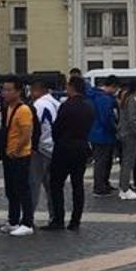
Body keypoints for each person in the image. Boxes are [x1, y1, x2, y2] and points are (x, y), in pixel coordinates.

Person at [46, 73, 94, 229]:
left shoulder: (66, 106)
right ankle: (75, 220)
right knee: (77, 185)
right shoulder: (88, 106)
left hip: (64, 148)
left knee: (56, 184)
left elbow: (57, 127)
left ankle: (58, 219)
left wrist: (58, 139)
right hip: (81, 146)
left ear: (71, 87)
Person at [0, 77, 37, 235]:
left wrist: (16, 149)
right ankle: (13, 220)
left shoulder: (24, 110)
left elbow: (27, 133)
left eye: (9, 90)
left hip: (20, 155)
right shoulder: (7, 107)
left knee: (22, 189)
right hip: (10, 154)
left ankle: (27, 223)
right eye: (4, 89)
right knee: (11, 190)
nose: (5, 93)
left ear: (18, 91)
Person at [31, 75, 60, 214]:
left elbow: (37, 127)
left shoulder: (38, 105)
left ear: (37, 90)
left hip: (41, 148)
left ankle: (28, 216)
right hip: (54, 148)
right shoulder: (56, 103)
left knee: (33, 184)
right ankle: (54, 215)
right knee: (51, 186)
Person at [87, 75, 118, 194]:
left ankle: (103, 183)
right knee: (102, 161)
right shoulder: (105, 99)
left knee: (104, 161)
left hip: (96, 133)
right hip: (104, 134)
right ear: (113, 86)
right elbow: (107, 118)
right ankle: (100, 186)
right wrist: (114, 128)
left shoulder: (96, 96)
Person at [115, 79, 136, 200]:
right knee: (128, 162)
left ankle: (123, 186)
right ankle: (125, 188)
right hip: (130, 134)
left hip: (123, 132)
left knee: (126, 162)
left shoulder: (125, 98)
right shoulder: (132, 100)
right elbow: (132, 119)